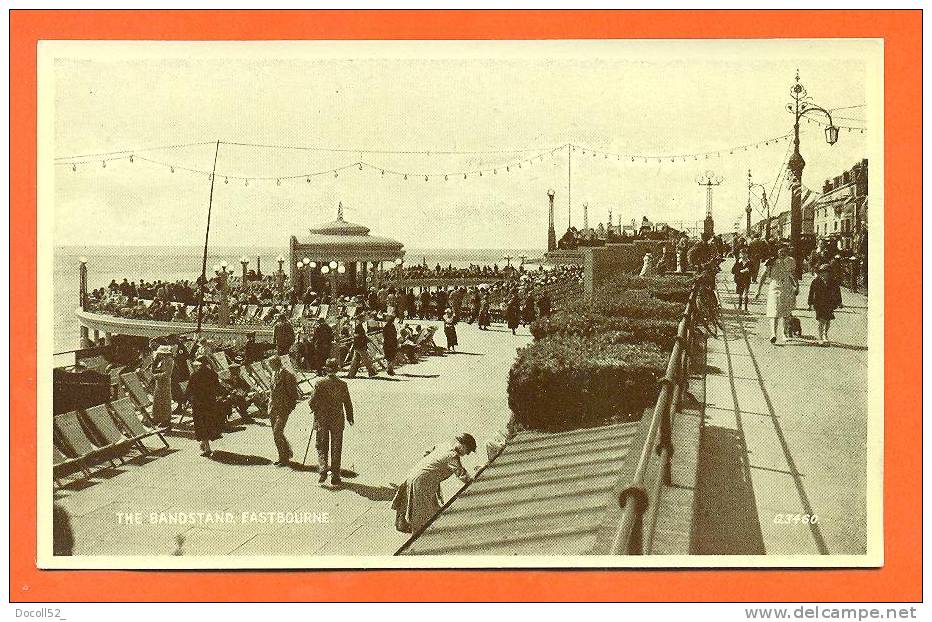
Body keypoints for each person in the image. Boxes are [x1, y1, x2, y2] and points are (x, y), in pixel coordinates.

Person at [391, 433, 476, 533]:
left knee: (422, 506)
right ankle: (420, 536)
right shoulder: (452, 456)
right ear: (462, 445)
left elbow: (426, 453)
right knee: (422, 512)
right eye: (467, 450)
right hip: (423, 482)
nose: (466, 453)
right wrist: (474, 480)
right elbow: (462, 474)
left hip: (414, 475)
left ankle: (412, 528)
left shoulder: (443, 446)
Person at [308, 363, 354, 486]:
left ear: (326, 370)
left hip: (322, 419)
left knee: (321, 445)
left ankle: (323, 470)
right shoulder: (342, 384)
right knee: (336, 447)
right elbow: (347, 403)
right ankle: (335, 475)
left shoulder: (320, 383)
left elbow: (312, 401)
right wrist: (350, 417)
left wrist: (315, 409)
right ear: (337, 370)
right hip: (337, 419)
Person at [756, 244, 799, 344]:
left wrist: (797, 286)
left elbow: (793, 274)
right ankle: (773, 334)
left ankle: (784, 333)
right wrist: (758, 290)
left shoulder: (791, 261)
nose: (783, 253)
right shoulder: (771, 261)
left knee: (786, 312)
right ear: (777, 252)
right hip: (774, 286)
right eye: (781, 251)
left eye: (785, 251)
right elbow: (763, 276)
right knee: (774, 311)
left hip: (787, 288)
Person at [185, 355, 225, 457]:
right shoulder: (213, 374)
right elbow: (218, 388)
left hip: (199, 403)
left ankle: (207, 448)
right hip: (210, 402)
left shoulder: (195, 375)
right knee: (208, 422)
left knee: (201, 424)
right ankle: (205, 443)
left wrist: (188, 399)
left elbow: (189, 390)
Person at [268, 356, 301, 467]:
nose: (269, 366)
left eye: (270, 363)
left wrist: (289, 407)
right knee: (276, 433)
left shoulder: (288, 376)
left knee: (277, 432)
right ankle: (284, 454)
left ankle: (283, 458)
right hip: (273, 408)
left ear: (276, 363)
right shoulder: (273, 374)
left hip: (283, 408)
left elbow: (293, 394)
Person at [808, 264, 843, 346]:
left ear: (830, 273)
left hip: (829, 303)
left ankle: (825, 334)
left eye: (826, 272)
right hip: (819, 303)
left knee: (827, 320)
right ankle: (821, 337)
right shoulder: (816, 281)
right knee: (821, 320)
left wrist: (839, 302)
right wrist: (810, 304)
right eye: (822, 272)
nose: (824, 274)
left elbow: (838, 293)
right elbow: (811, 293)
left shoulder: (834, 282)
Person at [150, 345, 175, 429]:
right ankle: (159, 418)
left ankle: (166, 419)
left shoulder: (169, 360)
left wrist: (155, 376)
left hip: (165, 383)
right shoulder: (163, 360)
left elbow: (167, 374)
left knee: (164, 401)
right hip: (160, 383)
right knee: (158, 400)